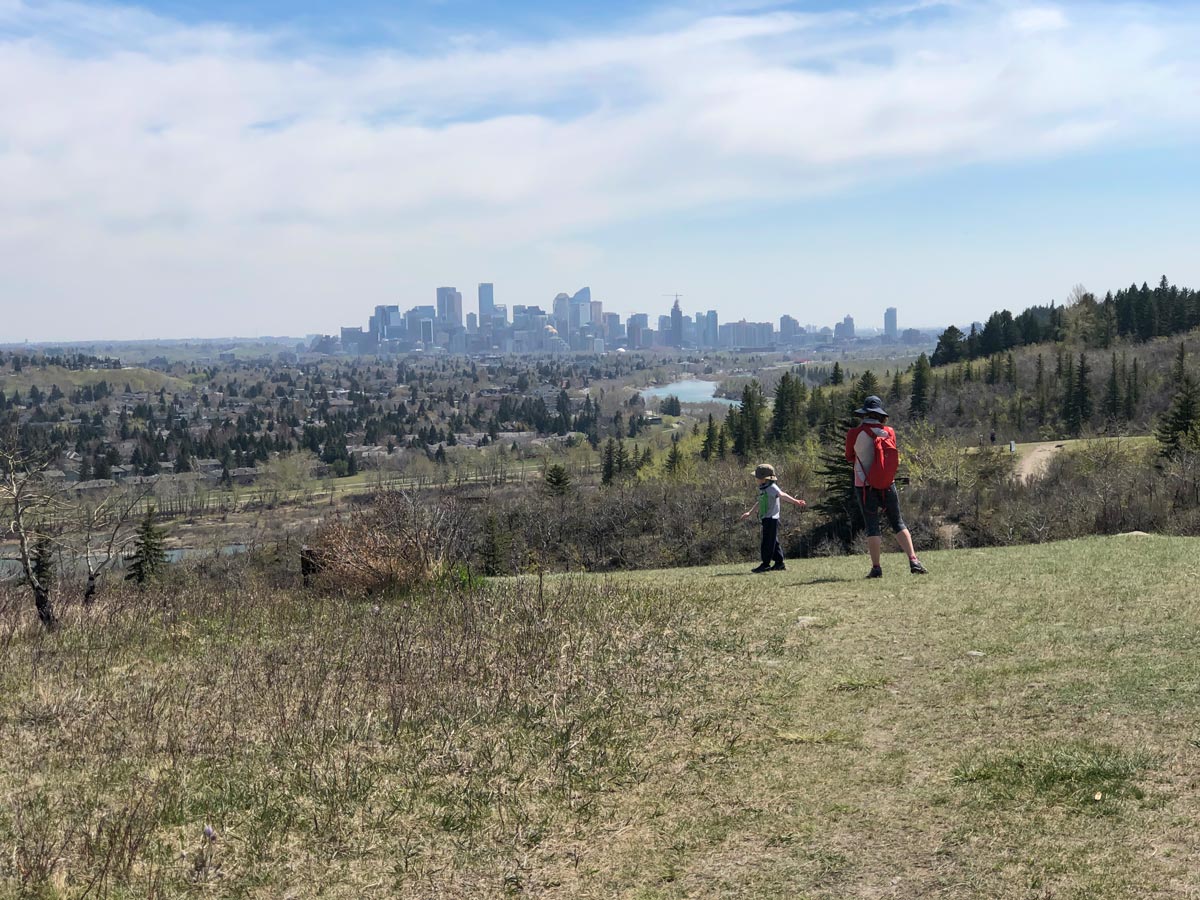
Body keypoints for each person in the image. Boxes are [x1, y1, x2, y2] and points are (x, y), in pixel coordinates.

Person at [845, 395, 929, 578]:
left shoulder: (854, 433)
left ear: (865, 413)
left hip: (864, 485)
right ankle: (913, 559)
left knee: (872, 525)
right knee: (898, 521)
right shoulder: (889, 432)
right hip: (886, 483)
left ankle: (876, 567)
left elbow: (850, 456)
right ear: (879, 414)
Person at [740, 463, 806, 573]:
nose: (755, 479)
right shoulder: (763, 488)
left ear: (763, 478)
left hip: (771, 518)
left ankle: (765, 564)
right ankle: (779, 563)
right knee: (773, 541)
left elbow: (782, 495)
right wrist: (750, 513)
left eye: (757, 477)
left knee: (767, 542)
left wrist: (796, 502)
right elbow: (760, 502)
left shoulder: (772, 488)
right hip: (766, 518)